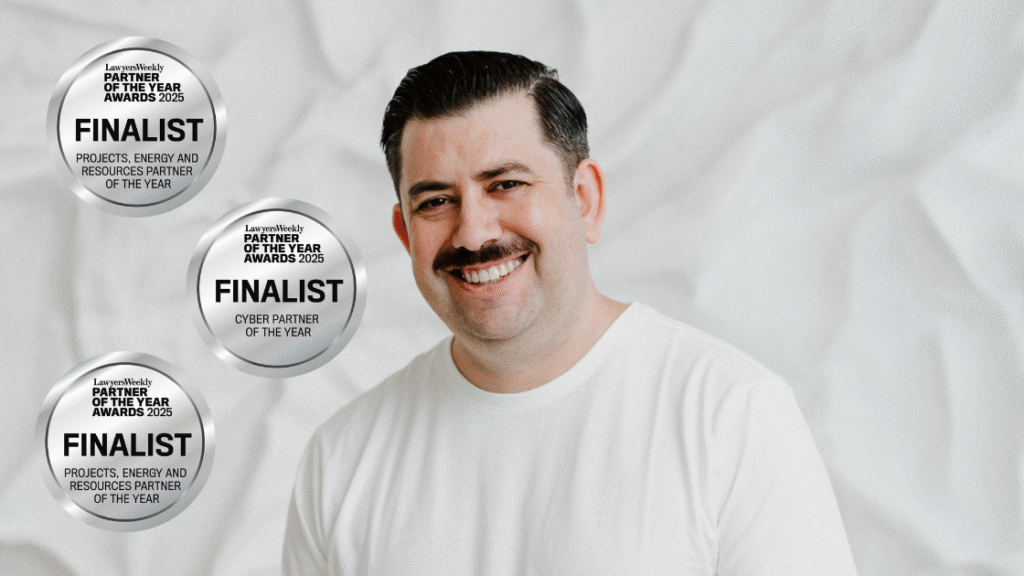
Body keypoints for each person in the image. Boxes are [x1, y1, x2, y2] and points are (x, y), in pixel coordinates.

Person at [283, 51, 858, 575]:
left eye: (506, 184)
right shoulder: (341, 461)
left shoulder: (729, 414)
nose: (473, 232)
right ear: (406, 233)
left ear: (585, 199)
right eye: (436, 201)